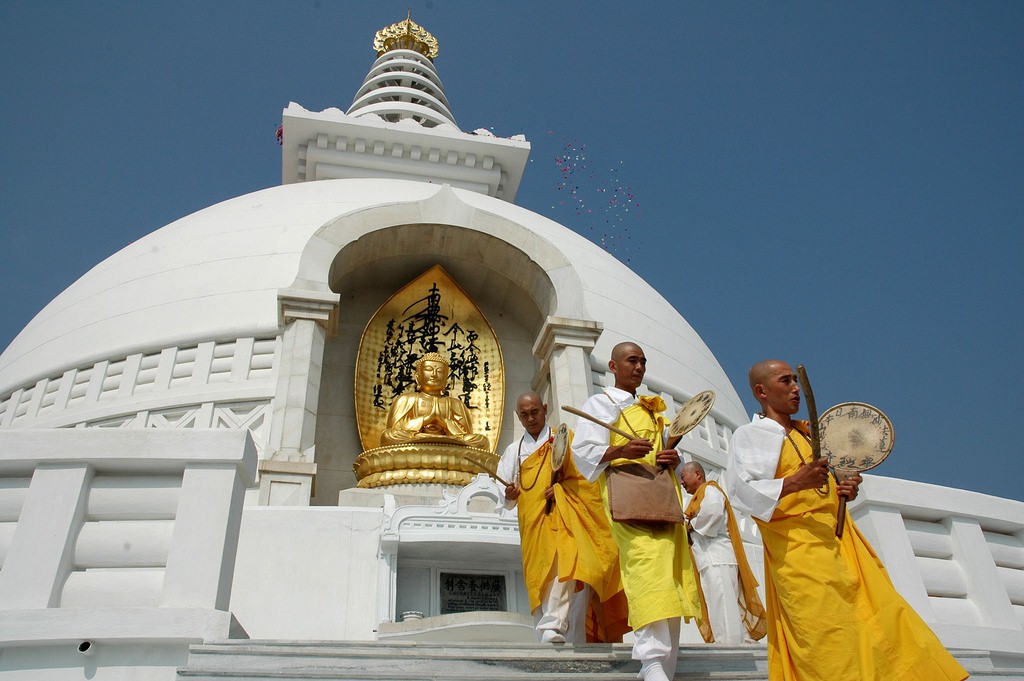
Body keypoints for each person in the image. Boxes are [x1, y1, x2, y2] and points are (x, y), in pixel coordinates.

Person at [724, 359, 968, 681]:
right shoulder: (751, 435)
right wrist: (797, 482)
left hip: (840, 543)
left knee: (883, 619)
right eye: (786, 381)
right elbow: (742, 493)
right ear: (762, 391)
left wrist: (844, 489)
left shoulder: (809, 435)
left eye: (796, 380)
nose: (795, 388)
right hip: (798, 552)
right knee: (826, 634)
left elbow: (825, 485)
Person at [572, 342, 701, 681]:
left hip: (662, 497)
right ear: (613, 367)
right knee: (647, 566)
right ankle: (652, 659)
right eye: (632, 360)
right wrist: (621, 449)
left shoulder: (655, 412)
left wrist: (673, 460)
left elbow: (667, 455)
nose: (639, 367)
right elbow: (582, 453)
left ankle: (664, 665)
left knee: (672, 571)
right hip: (628, 499)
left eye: (643, 361)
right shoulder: (600, 403)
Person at [497, 392, 629, 644]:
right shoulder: (514, 451)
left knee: (567, 567)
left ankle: (556, 627)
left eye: (534, 412)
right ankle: (548, 635)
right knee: (540, 582)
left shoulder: (565, 440)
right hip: (534, 528)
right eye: (524, 415)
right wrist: (509, 494)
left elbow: (585, 478)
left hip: (567, 517)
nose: (530, 418)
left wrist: (561, 490)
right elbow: (507, 496)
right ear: (518, 416)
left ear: (545, 409)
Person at [680, 460, 767, 645]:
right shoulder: (698, 496)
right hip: (708, 557)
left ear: (697, 474)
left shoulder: (710, 490)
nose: (681, 482)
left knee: (723, 603)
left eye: (683, 477)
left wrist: (690, 525)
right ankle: (734, 641)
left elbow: (713, 513)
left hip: (717, 555)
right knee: (719, 604)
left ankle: (730, 645)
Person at [380, 352, 489, 448]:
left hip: (448, 445)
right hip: (415, 442)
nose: (434, 375)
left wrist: (444, 422)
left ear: (446, 379)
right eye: (428, 370)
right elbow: (394, 431)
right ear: (417, 376)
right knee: (389, 436)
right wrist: (425, 420)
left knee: (481, 441)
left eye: (440, 371)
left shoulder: (455, 403)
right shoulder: (406, 400)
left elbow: (465, 434)